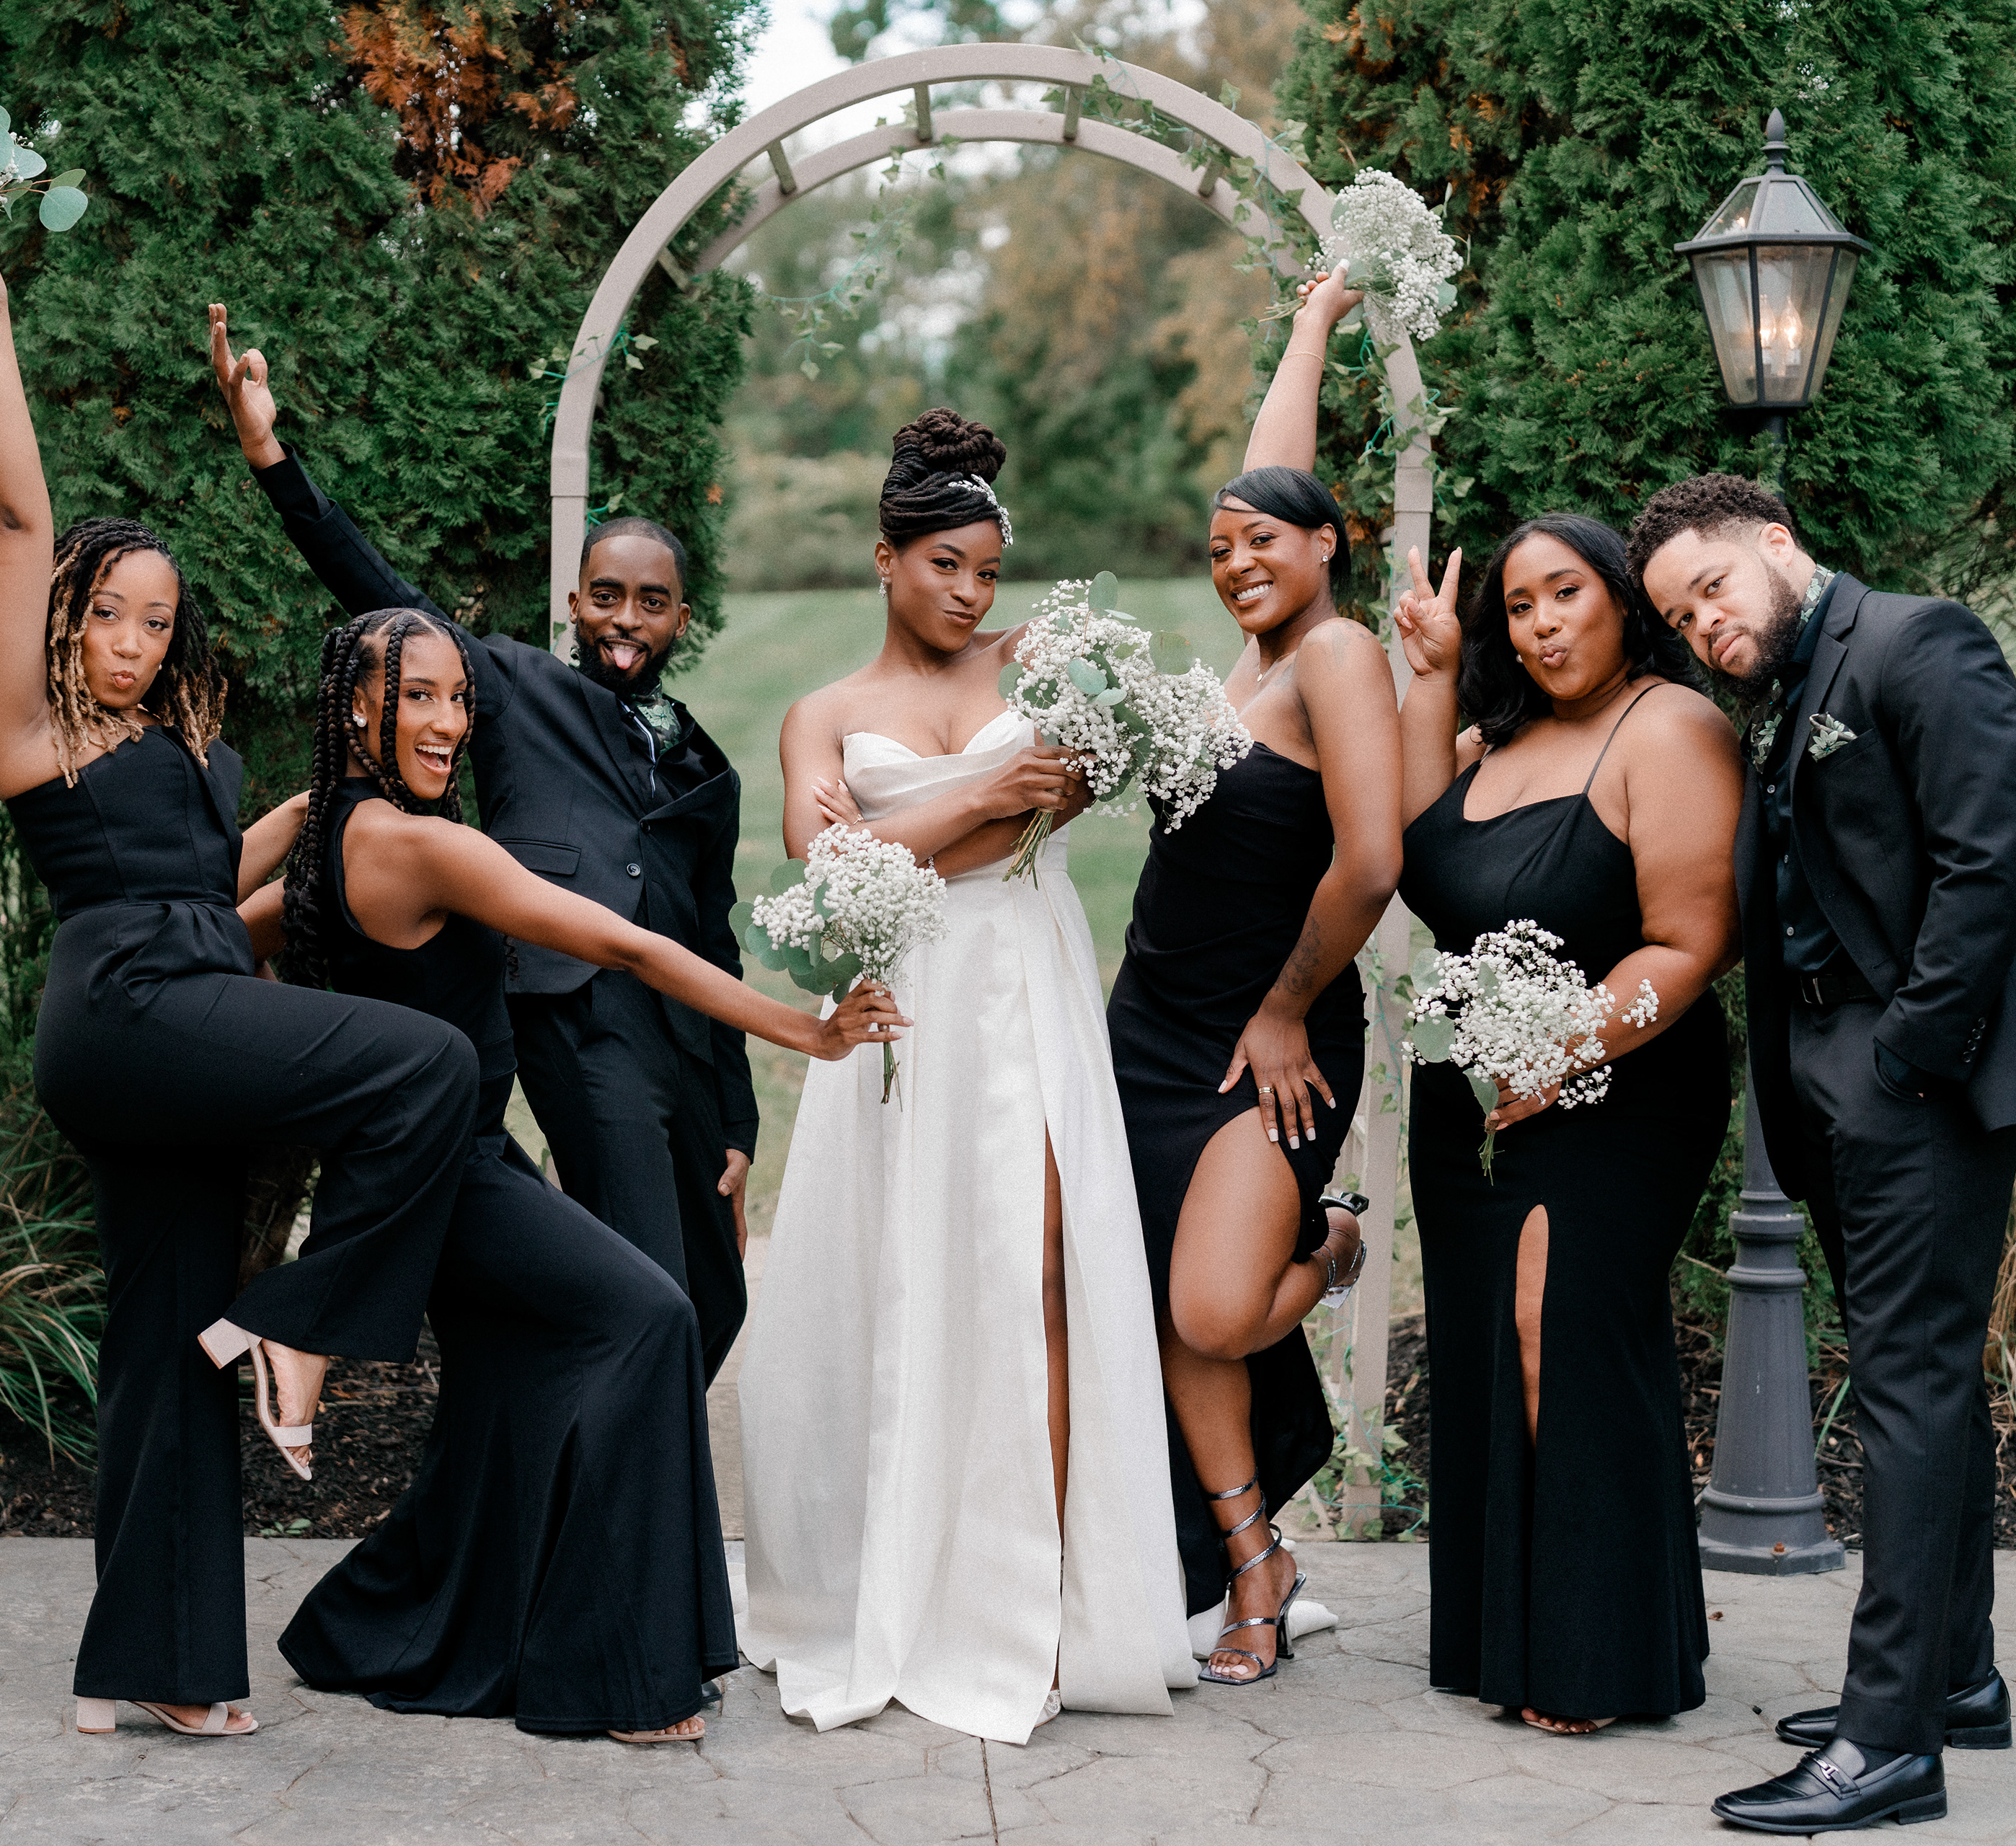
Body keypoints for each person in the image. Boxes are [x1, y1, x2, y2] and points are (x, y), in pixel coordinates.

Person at [0, 227, 477, 1743]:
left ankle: (152, 1664)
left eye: (157, 619)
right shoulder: (30, 729)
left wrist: (315, 809)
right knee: (423, 1068)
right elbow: (14, 517)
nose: (132, 639)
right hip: (125, 1011)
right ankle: (302, 1321)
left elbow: (213, 892)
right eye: (109, 610)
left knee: (166, 1340)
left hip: (187, 1002)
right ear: (65, 614)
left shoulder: (180, 745)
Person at [237, 608, 902, 1744]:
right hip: (456, 1182)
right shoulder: (425, 848)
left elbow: (215, 924)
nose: (451, 722)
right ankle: (614, 1678)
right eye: (418, 697)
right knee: (650, 1320)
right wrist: (807, 1030)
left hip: (432, 1174)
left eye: (460, 698)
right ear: (358, 707)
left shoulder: (336, 838)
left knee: (513, 1389)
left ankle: (371, 1623)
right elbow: (625, 944)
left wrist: (304, 808)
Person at [1633, 476, 2016, 1832]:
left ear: (1777, 545)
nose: (1706, 625)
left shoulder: (1918, 640)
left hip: (1919, 1081)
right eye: (1683, 618)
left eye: (1713, 588)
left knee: (1906, 1389)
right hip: (1836, 1078)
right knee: (1927, 1384)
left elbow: (1989, 860)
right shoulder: (1783, 690)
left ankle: (1889, 1744)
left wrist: (1908, 1061)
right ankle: (1956, 1680)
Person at [738, 409, 1194, 1744]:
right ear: (886, 558)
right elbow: (828, 881)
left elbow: (1021, 820)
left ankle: (1038, 1605)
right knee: (905, 1275)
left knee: (1041, 1272)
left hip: (1023, 988)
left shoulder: (1047, 663)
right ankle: (901, 1574)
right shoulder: (822, 715)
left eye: (988, 571)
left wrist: (917, 832)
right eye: (945, 566)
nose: (971, 595)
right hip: (899, 1008)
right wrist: (992, 798)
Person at [208, 308, 759, 1377]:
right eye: (607, 597)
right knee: (648, 1292)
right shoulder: (511, 687)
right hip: (576, 1014)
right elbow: (380, 599)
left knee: (715, 1299)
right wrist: (272, 458)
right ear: (575, 603)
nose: (625, 620)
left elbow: (715, 936)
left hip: (682, 1034)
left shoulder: (707, 768)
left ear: (681, 619)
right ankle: (633, 1478)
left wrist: (736, 1114)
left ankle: (588, 1456)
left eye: (651, 603)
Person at [1389, 513, 1741, 1733]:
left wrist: (1560, 1049)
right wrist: (1435, 677)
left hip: (1623, 1089)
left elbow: (1691, 942)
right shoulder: (1500, 737)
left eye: (1566, 594)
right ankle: (1510, 1638)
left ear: (1622, 602)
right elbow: (1421, 852)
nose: (1542, 625)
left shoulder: (1671, 727)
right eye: (1519, 607)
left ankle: (1596, 1651)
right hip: (1472, 1105)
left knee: (1560, 1332)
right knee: (1491, 1341)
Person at [1106, 266, 1402, 1686]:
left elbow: (1373, 859)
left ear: (1328, 544)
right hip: (1149, 1027)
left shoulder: (1335, 653)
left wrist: (1285, 1005)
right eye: (1219, 548)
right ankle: (1252, 1562)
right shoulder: (1253, 657)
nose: (1235, 561)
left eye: (1263, 543)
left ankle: (1329, 1244)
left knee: (1217, 1309)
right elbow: (1269, 476)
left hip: (1270, 1039)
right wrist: (1310, 325)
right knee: (1160, 1301)